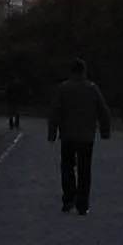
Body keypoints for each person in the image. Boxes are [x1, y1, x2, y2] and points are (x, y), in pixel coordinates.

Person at [46, 57, 111, 215]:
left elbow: (55, 111)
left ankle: (68, 199)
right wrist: (104, 130)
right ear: (84, 71)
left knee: (67, 167)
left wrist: (52, 132)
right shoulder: (92, 88)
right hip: (86, 135)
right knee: (84, 169)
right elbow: (103, 110)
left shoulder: (64, 89)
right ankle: (83, 204)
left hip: (68, 134)